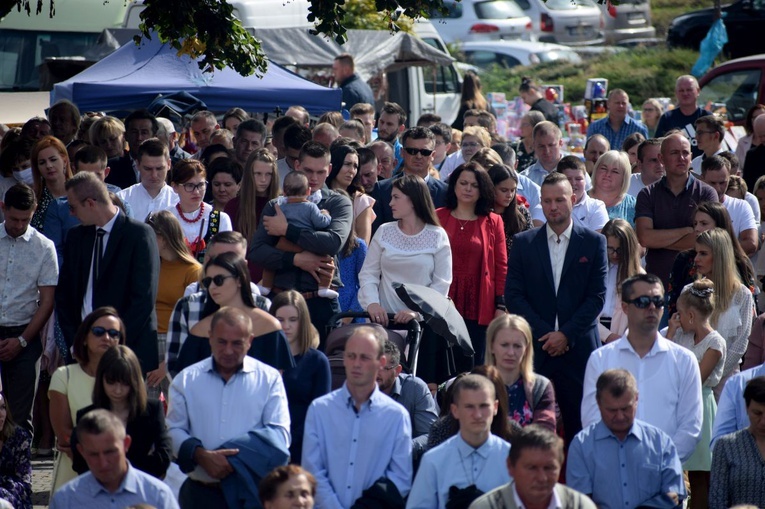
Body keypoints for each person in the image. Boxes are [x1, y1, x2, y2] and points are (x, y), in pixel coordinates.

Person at [505, 171, 607, 445]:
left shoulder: (595, 242)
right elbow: (514, 297)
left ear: (573, 199)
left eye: (559, 200)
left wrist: (566, 335)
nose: (553, 207)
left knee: (581, 431)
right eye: (547, 201)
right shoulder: (524, 243)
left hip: (580, 351)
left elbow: (596, 297)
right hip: (537, 351)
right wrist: (547, 334)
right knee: (531, 431)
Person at [167, 306, 290, 508]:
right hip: (200, 495)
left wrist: (231, 460)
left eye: (237, 343)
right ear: (210, 338)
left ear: (250, 341)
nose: (228, 351)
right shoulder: (186, 380)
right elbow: (172, 429)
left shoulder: (269, 380)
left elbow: (280, 435)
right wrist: (199, 454)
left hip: (249, 494)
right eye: (222, 342)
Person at [581, 274, 703, 463]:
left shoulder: (685, 360)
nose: (652, 308)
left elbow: (691, 427)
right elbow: (591, 420)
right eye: (643, 301)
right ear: (625, 307)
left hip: (665, 473)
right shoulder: (600, 359)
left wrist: (660, 464)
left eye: (658, 301)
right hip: (613, 472)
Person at [250, 141, 352, 344]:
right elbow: (256, 251)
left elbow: (333, 243)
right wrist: (295, 259)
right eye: (308, 170)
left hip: (320, 304)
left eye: (321, 172)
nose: (314, 178)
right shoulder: (276, 205)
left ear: (330, 170)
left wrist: (288, 230)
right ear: (297, 166)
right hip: (280, 300)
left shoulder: (338, 202)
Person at [57, 172, 160, 373]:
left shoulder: (139, 235)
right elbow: (65, 297)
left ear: (90, 203)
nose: (71, 213)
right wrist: (76, 344)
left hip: (126, 354)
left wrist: (112, 343)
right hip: (83, 355)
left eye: (72, 207)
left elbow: (143, 299)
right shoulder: (76, 237)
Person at [302, 326, 412, 509]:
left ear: (381, 362)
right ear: (344, 359)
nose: (357, 364)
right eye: (351, 356)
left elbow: (401, 478)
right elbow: (312, 470)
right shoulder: (320, 410)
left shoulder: (396, 417)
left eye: (365, 357)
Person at [359, 175, 452, 382]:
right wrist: (372, 304)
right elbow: (369, 274)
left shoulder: (438, 235)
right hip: (383, 324)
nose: (390, 203)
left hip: (424, 328)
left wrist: (417, 312)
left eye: (396, 197)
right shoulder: (384, 231)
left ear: (413, 199)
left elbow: (441, 285)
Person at [566, 369, 685, 509]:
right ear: (598, 402)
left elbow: (674, 496)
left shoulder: (660, 442)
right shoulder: (581, 446)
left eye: (626, 409)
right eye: (612, 410)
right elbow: (580, 502)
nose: (620, 416)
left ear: (636, 399)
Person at [437, 162, 507, 369]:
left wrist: (500, 305)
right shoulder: (438, 215)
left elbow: (501, 266)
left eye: (474, 185)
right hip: (443, 300)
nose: (468, 189)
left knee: (473, 366)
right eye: (463, 183)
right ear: (454, 186)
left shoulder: (493, 221)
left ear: (482, 189)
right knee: (443, 365)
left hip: (478, 301)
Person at [172, 252, 291, 375]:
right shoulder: (200, 330)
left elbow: (276, 382)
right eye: (208, 282)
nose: (212, 286)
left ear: (239, 280)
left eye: (219, 280)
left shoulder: (269, 326)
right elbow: (187, 381)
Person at [0, 183, 57, 432]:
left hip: (26, 333)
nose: (19, 224)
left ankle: (18, 471)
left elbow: (47, 302)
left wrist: (22, 340)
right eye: (14, 218)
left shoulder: (44, 247)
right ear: (3, 209)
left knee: (20, 415)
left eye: (26, 219)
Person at [49, 307, 125, 492]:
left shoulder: (129, 379)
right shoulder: (63, 376)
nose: (106, 338)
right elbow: (64, 435)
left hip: (119, 476)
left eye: (113, 333)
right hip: (73, 473)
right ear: (84, 338)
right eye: (99, 332)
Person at [407, 374, 511, 509]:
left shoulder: (512, 459)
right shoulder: (434, 461)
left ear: (495, 407)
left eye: (484, 406)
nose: (477, 414)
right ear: (455, 410)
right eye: (469, 407)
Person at [665, 279, 725, 509]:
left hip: (701, 406)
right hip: (675, 406)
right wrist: (670, 332)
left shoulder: (715, 342)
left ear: (690, 315)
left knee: (700, 476)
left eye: (679, 313)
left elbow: (696, 379)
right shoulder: (681, 335)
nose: (676, 318)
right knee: (672, 469)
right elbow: (661, 360)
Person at [71, 345, 172, 479]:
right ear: (101, 380)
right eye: (111, 382)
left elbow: (164, 455)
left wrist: (124, 473)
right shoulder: (86, 416)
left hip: (141, 487)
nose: (118, 390)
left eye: (124, 383)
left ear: (135, 381)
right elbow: (80, 463)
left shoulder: (152, 409)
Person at [50, 409, 178, 509]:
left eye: (110, 452)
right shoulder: (66, 499)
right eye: (94, 454)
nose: (103, 463)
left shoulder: (157, 495)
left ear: (126, 444)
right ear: (81, 451)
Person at [635, 133, 718, 287]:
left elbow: (705, 240)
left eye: (685, 153)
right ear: (661, 158)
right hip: (658, 287)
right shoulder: (647, 194)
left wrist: (658, 241)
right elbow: (645, 238)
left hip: (698, 287)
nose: (681, 157)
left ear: (691, 156)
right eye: (674, 153)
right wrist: (686, 231)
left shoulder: (706, 193)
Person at [144, 211, 202, 398]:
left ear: (163, 238)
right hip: (148, 341)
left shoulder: (193, 271)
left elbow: (194, 322)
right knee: (146, 413)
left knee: (177, 411)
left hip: (176, 343)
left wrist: (167, 364)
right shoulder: (148, 265)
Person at [469, 425, 597, 509]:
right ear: (510, 466)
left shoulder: (580, 506)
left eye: (549, 468)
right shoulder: (486, 507)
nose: (541, 478)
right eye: (531, 468)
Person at [665, 201, 754, 321]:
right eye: (695, 223)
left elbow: (749, 314)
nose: (697, 228)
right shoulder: (684, 259)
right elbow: (674, 306)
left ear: (720, 227)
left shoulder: (740, 262)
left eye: (704, 223)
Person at [270, 290, 331, 465]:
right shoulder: (262, 358)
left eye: (293, 320)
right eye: (280, 319)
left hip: (302, 449)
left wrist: (288, 441)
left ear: (302, 321)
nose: (286, 326)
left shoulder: (318, 361)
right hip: (265, 444)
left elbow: (318, 413)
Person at [693, 228, 754, 398]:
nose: (696, 259)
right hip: (694, 379)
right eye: (696, 253)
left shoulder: (743, 295)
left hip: (727, 384)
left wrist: (714, 374)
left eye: (703, 253)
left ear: (719, 256)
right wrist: (698, 375)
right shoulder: (690, 292)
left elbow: (740, 345)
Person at [259, 172, 337, 300]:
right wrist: (326, 214)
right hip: (306, 243)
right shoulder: (311, 207)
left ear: (284, 192)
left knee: (271, 263)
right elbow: (321, 223)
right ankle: (323, 288)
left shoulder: (281, 207)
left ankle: (266, 287)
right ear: (308, 191)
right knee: (328, 261)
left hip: (284, 243)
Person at [485, 314, 556, 432]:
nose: (511, 352)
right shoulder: (474, 384)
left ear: (526, 349)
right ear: (491, 346)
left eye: (517, 346)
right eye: (504, 345)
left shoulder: (540, 387)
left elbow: (545, 437)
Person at [371, 127, 449, 231]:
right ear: (402, 152)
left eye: (425, 152)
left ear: (433, 155)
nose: (418, 156)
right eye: (412, 151)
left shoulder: (445, 192)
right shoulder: (381, 189)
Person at [225, 148, 280, 284]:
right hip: (242, 279)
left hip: (275, 280)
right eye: (258, 174)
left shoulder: (282, 205)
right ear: (249, 174)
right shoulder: (233, 206)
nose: (263, 180)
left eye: (268, 174)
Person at [710, 377, 765, 509]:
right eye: (757, 413)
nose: (763, 422)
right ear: (746, 408)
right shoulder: (727, 446)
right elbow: (717, 501)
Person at [377, 340, 438, 452]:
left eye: (384, 368)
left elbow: (430, 435)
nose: (376, 373)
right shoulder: (358, 389)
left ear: (397, 370)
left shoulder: (415, 388)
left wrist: (401, 448)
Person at [168, 159, 233, 262]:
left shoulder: (220, 219)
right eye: (189, 186)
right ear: (175, 187)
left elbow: (228, 259)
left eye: (201, 185)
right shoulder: (167, 219)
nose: (196, 191)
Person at [700, 155, 759, 255]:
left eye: (722, 183)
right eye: (712, 183)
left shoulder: (741, 206)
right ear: (702, 179)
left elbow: (751, 244)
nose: (718, 188)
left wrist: (714, 252)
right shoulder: (692, 204)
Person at [599, 219, 644, 343]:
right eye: (610, 249)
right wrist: (606, 335)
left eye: (620, 250)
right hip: (594, 334)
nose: (614, 254)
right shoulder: (593, 270)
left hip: (623, 339)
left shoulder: (639, 276)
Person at [116, 138, 179, 223]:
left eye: (159, 168)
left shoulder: (179, 200)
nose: (154, 175)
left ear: (169, 164)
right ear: (137, 165)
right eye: (148, 169)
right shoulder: (122, 199)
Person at [327, 144, 376, 247]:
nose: (352, 170)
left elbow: (363, 246)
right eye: (347, 164)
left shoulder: (361, 201)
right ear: (335, 164)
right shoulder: (319, 194)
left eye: (355, 166)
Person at [655, 75, 712, 159]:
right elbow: (658, 147)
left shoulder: (707, 118)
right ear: (676, 93)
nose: (685, 93)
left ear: (698, 91)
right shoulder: (667, 118)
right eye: (681, 90)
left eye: (689, 90)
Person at [487, 164, 532, 257]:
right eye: (504, 190)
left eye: (513, 190)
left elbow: (530, 246)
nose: (509, 195)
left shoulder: (522, 214)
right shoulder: (481, 214)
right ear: (491, 188)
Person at [30, 136, 74, 232]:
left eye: (53, 160)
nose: (49, 166)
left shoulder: (79, 192)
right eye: (42, 162)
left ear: (65, 161)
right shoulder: (33, 198)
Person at [558, 156, 608, 232]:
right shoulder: (548, 206)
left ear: (585, 180)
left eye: (578, 179)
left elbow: (599, 241)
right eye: (568, 179)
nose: (573, 183)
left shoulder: (596, 207)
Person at [0, 392, 32, 509]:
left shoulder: (19, 437)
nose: (1, 414)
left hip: (14, 497)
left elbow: (25, 484)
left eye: (3, 407)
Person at [589, 150, 636, 227]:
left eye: (615, 171)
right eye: (604, 168)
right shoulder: (580, 200)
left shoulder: (634, 206)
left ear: (624, 177)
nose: (608, 174)